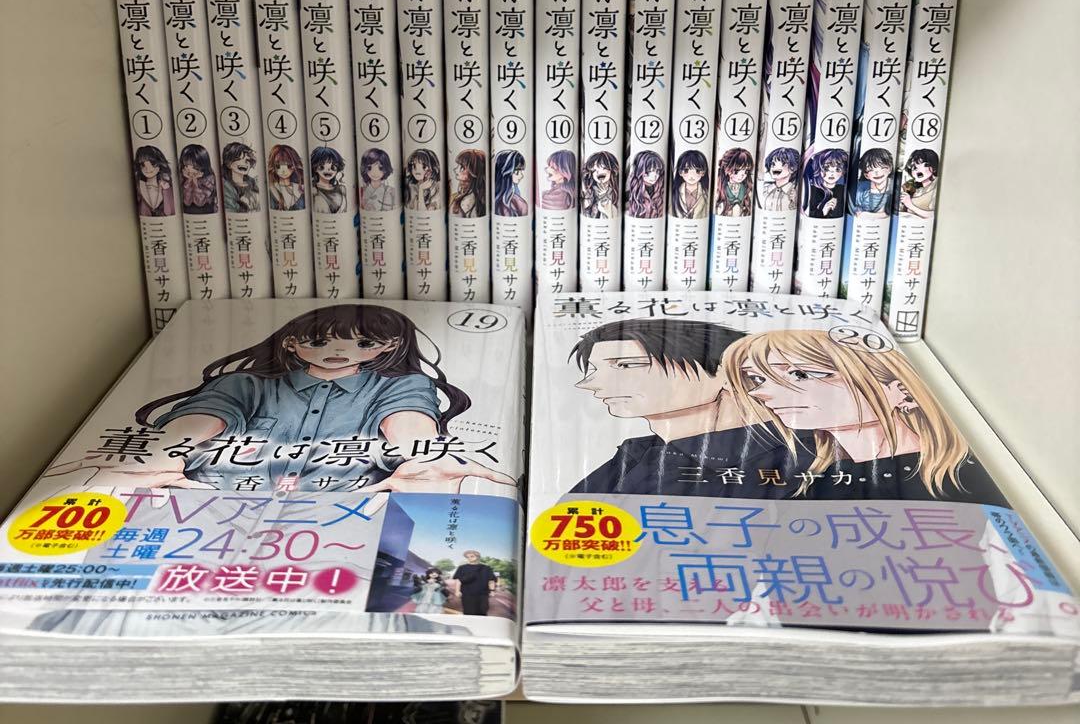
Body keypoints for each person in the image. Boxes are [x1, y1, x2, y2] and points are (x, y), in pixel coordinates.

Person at [47, 304, 517, 496]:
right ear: (291, 343)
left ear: (388, 346)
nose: (337, 352)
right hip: (209, 508)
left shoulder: (399, 385)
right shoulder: (247, 385)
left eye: (362, 343)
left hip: (343, 515)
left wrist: (423, 457)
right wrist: (162, 453)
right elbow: (199, 420)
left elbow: (410, 422)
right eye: (320, 341)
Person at [722, 327, 1009, 504]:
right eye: (757, 379)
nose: (760, 393)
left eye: (800, 374)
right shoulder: (814, 479)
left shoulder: (958, 477)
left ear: (900, 389)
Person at [568, 318, 805, 497]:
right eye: (595, 370)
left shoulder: (806, 455)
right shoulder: (637, 455)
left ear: (727, 372)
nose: (589, 384)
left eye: (626, 365)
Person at [802, 149, 847, 218]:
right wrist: (823, 212)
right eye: (826, 169)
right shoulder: (812, 190)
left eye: (837, 169)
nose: (832, 173)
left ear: (843, 171)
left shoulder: (843, 189)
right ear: (818, 169)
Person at [134, 145, 177, 217]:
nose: (148, 168)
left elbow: (170, 211)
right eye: (143, 165)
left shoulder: (166, 186)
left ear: (160, 164)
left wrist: (166, 190)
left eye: (153, 163)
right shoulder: (140, 186)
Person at [451, 550, 496, 616]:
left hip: (482, 594)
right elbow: (458, 580)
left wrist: (492, 591)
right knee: (468, 612)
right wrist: (457, 591)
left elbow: (491, 580)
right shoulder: (462, 568)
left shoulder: (486, 568)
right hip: (467, 594)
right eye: (467, 557)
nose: (469, 558)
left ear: (478, 557)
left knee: (483, 611)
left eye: (472, 556)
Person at [850, 147, 892, 217]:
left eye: (882, 167)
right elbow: (855, 209)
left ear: (890, 168)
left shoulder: (895, 186)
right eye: (871, 169)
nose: (877, 173)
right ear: (866, 174)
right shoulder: (861, 188)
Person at [899, 148, 938, 218]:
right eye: (913, 167)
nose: (916, 169)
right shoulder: (913, 187)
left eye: (921, 164)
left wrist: (910, 205)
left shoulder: (937, 185)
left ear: (933, 167)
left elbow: (934, 215)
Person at [625, 150, 665, 218]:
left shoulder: (661, 190)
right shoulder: (632, 192)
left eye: (657, 171)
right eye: (650, 171)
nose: (655, 175)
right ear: (640, 171)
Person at [714, 147, 753, 217]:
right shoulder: (720, 188)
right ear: (727, 169)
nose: (742, 175)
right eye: (736, 171)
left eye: (746, 171)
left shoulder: (746, 188)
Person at [221, 142, 259, 213]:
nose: (245, 163)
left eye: (247, 160)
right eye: (240, 159)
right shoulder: (226, 186)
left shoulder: (253, 183)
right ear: (229, 163)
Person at [178, 145, 216, 215]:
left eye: (195, 167)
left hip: (205, 210)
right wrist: (189, 180)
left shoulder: (208, 179)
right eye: (186, 166)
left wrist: (195, 183)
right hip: (188, 211)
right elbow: (186, 201)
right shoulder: (183, 178)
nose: (190, 170)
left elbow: (200, 201)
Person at [580, 151, 619, 219]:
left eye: (603, 167)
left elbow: (612, 214)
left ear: (611, 169)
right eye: (594, 170)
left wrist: (604, 197)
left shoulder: (615, 190)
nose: (598, 172)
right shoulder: (590, 192)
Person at [758, 147, 799, 211]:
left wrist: (795, 201)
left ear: (792, 168)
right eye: (772, 163)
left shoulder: (794, 191)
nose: (773, 166)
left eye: (782, 162)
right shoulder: (766, 189)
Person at [267, 144, 305, 211]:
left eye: (289, 165)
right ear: (273, 166)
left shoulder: (300, 188)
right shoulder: (271, 188)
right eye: (278, 166)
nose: (283, 170)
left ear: (294, 165)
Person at [450, 149, 487, 217]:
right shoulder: (462, 194)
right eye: (458, 165)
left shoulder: (468, 201)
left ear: (473, 172)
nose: (455, 169)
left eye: (462, 167)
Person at [311, 146, 348, 214]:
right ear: (315, 168)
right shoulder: (313, 191)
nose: (328, 170)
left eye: (333, 167)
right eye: (322, 167)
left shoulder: (342, 189)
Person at [493, 150, 528, 216]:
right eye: (517, 172)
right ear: (506, 173)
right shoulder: (520, 204)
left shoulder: (519, 202)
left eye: (521, 171)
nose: (522, 176)